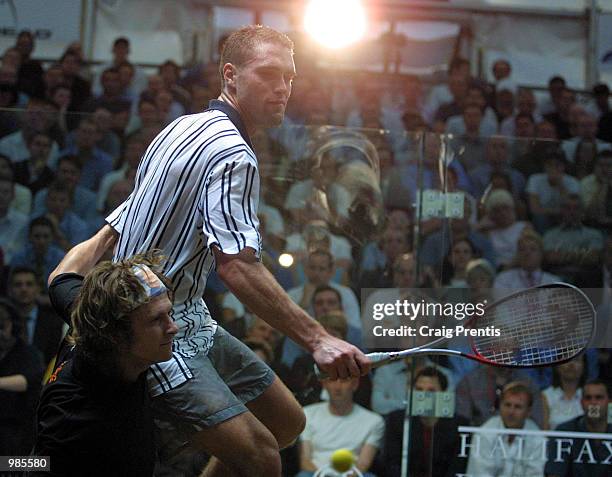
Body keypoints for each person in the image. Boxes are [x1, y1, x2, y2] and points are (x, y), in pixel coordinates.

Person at [103, 25, 369, 476]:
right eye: (268, 74)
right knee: (264, 457)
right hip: (149, 329)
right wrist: (318, 339)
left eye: (289, 77)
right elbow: (237, 268)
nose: (282, 88)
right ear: (230, 76)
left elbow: (123, 222)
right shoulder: (234, 153)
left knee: (287, 421)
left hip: (188, 313)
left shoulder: (181, 125)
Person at [32, 225, 178, 476]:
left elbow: (62, 277)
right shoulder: (74, 415)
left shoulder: (94, 313)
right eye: (157, 320)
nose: (172, 328)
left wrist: (113, 227)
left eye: (169, 313)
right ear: (116, 335)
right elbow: (40, 465)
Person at [384, 367, 468, 477]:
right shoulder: (397, 420)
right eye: (419, 389)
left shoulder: (459, 425)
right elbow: (392, 465)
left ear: (443, 394)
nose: (423, 396)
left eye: (431, 391)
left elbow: (456, 468)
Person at [298, 376, 384, 477]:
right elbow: (305, 461)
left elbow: (363, 464)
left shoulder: (374, 421)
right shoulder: (307, 414)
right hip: (315, 474)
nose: (337, 387)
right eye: (332, 380)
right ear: (324, 384)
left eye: (344, 380)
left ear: (355, 384)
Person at [466, 382, 546, 477]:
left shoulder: (537, 438)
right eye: (507, 405)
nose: (511, 412)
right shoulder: (485, 432)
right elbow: (480, 474)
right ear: (500, 406)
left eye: (518, 407)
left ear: (528, 412)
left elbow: (535, 474)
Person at [544, 379, 612, 477]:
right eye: (588, 398)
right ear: (581, 402)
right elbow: (554, 474)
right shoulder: (564, 432)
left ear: (609, 401)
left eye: (599, 397)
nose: (593, 402)